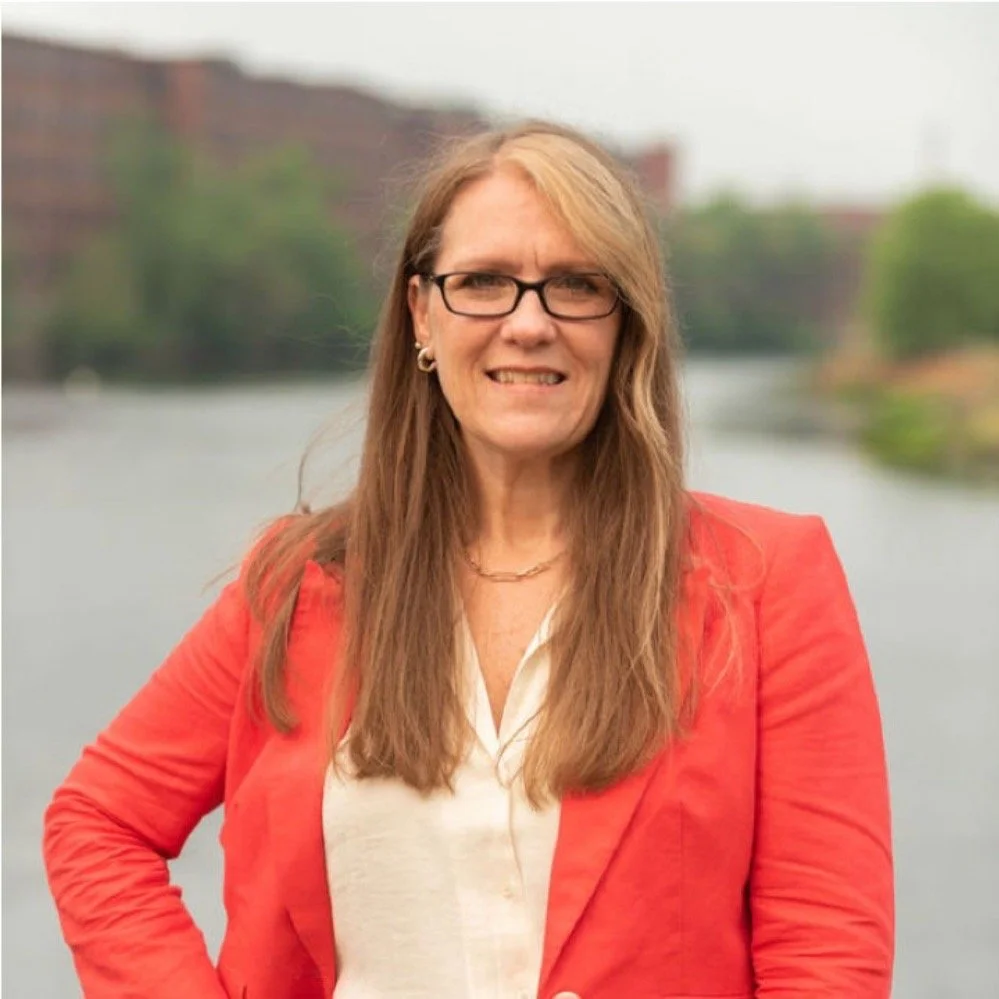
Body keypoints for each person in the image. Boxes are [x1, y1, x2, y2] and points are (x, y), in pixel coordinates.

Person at [44, 120, 894, 999]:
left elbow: (825, 960)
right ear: (421, 313)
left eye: (575, 285)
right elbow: (95, 823)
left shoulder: (767, 583)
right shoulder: (296, 586)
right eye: (482, 282)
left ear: (625, 323)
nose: (528, 324)